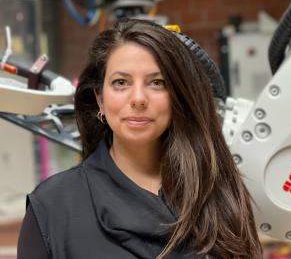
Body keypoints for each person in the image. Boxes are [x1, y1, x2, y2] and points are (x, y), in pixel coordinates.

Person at [17, 18, 262, 259]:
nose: (138, 98)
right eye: (120, 82)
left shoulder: (217, 193)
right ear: (100, 99)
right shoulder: (53, 207)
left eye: (156, 83)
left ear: (177, 96)